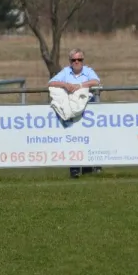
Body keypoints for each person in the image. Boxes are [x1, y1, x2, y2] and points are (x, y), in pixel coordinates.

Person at [48, 48, 101, 178]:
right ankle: (75, 169)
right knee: (74, 140)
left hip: (87, 113)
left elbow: (96, 81)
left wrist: (79, 85)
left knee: (89, 139)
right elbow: (51, 83)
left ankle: (89, 169)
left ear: (83, 61)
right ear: (70, 61)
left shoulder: (88, 71)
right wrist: (65, 85)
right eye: (74, 60)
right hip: (72, 113)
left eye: (79, 59)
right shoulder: (66, 72)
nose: (77, 62)